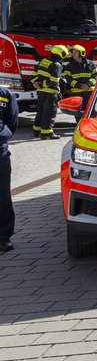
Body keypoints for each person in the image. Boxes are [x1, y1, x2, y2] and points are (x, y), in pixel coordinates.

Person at [31, 44, 67, 140]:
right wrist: (42, 84)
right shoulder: (57, 65)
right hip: (50, 93)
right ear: (62, 54)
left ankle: (36, 131)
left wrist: (35, 83)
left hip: (40, 92)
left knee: (40, 111)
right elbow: (54, 81)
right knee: (49, 112)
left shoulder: (43, 61)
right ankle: (47, 133)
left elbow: (34, 74)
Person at [0, 82, 19, 253]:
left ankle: (3, 238)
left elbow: (12, 122)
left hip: (0, 153)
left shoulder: (5, 94)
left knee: (2, 196)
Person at [62, 44, 97, 121]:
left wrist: (88, 84)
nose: (73, 54)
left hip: (89, 92)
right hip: (76, 93)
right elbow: (68, 79)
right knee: (78, 114)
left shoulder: (91, 64)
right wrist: (80, 86)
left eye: (76, 52)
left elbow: (95, 76)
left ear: (81, 53)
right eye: (73, 52)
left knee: (91, 112)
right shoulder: (68, 66)